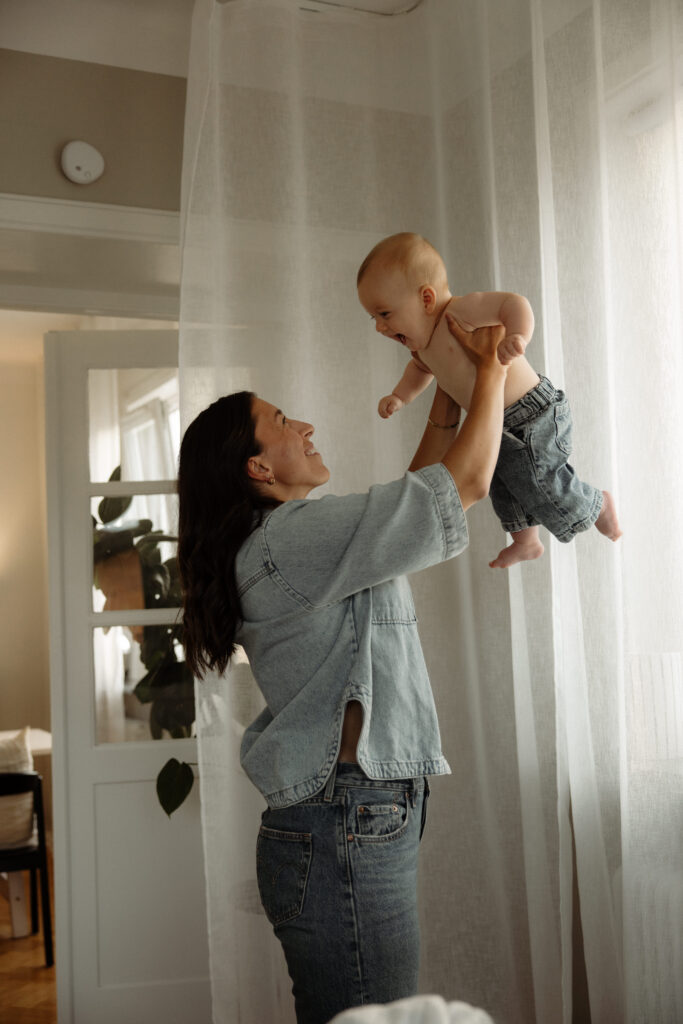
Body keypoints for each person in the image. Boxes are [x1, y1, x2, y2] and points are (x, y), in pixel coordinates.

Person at [177, 319, 506, 1024]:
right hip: (345, 821)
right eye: (280, 420)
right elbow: (465, 485)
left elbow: (411, 504)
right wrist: (490, 374)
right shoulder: (289, 542)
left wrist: (445, 403)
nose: (304, 424)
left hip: (340, 819)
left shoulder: (280, 544)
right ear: (257, 469)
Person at [357, 232, 622, 569]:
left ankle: (597, 505)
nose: (380, 327)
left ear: (426, 298)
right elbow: (418, 372)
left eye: (385, 314)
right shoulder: (421, 348)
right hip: (497, 421)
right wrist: (399, 397)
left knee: (542, 482)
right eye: (374, 318)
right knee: (504, 483)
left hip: (531, 412)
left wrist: (517, 337)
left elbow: (513, 303)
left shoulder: (460, 312)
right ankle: (526, 541)